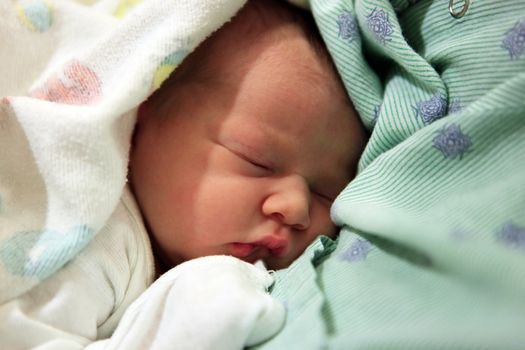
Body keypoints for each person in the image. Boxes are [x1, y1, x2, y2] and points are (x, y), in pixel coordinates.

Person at [0, 0, 365, 348]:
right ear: (144, 103)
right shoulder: (93, 242)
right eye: (258, 161)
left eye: (326, 192)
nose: (296, 207)